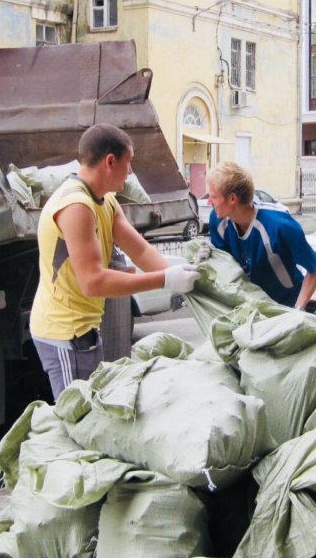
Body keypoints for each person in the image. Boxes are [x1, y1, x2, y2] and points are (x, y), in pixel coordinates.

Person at [30, 122, 201, 399]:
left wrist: (181, 274)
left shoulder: (105, 201)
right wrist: (165, 280)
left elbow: (141, 252)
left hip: (83, 329)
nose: (130, 172)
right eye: (128, 162)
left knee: (94, 414)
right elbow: (94, 282)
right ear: (110, 161)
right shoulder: (76, 207)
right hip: (64, 333)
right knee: (78, 421)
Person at [204, 161, 316, 309]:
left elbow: (315, 267)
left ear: (232, 199)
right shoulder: (218, 221)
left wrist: (298, 309)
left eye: (213, 197)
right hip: (250, 306)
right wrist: (207, 261)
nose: (209, 202)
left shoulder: (280, 226)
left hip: (287, 305)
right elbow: (228, 269)